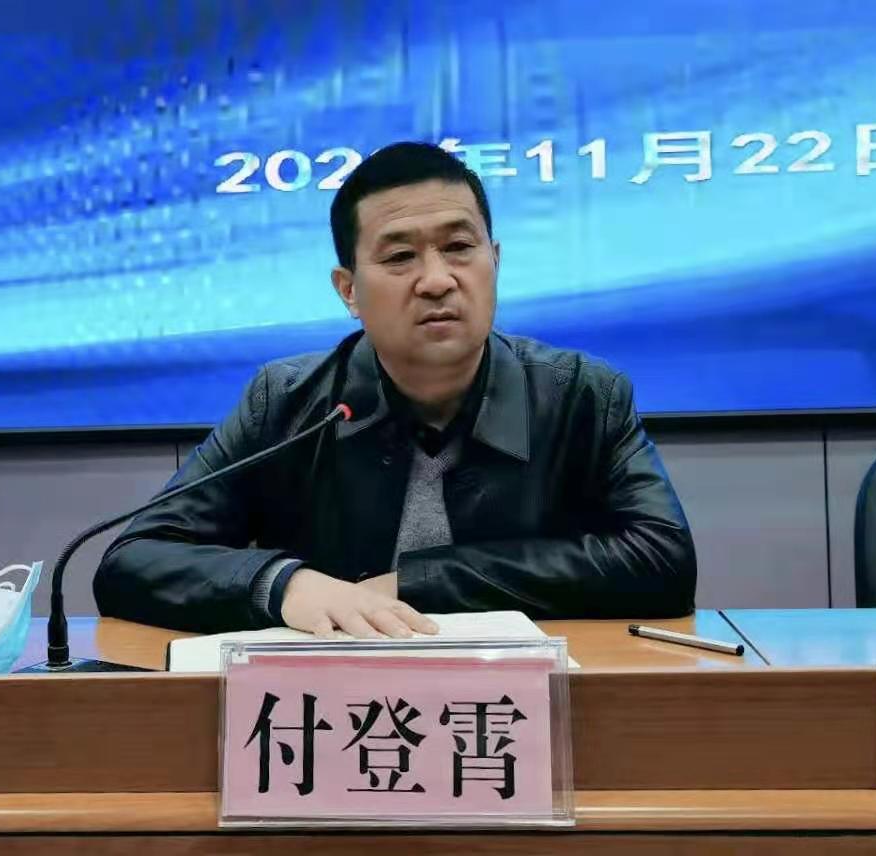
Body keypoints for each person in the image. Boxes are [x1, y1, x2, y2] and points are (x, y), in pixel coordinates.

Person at [94, 141, 696, 637]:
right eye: (401, 256)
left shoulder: (581, 395)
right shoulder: (288, 401)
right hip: (337, 708)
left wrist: (420, 582)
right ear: (348, 290)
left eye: (459, 248)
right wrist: (285, 585)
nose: (437, 280)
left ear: (494, 260)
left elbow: (663, 560)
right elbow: (135, 559)